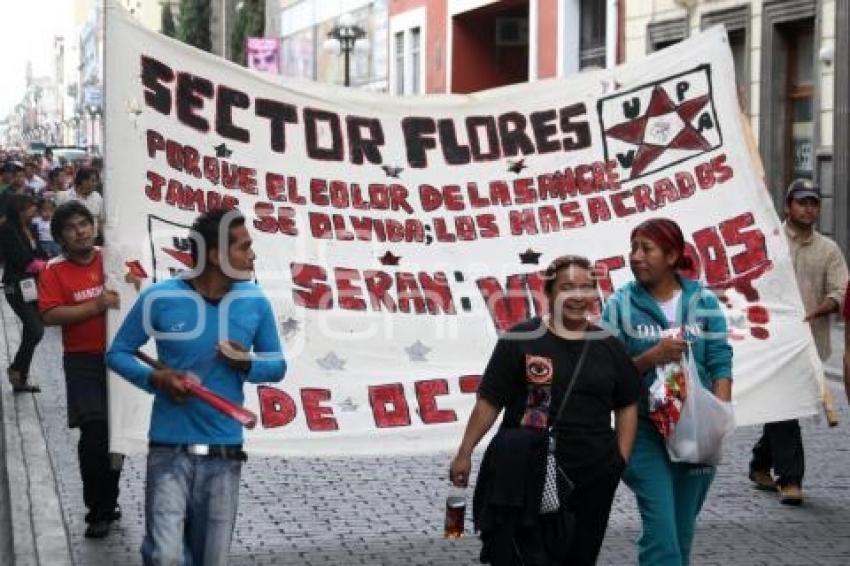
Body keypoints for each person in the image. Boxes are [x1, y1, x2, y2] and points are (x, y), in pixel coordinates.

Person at [107, 208, 286, 565]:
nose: (252, 255)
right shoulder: (160, 297)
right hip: (168, 450)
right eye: (244, 247)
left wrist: (245, 362)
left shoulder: (254, 301)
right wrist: (155, 378)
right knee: (165, 556)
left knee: (211, 560)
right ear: (218, 256)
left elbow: (277, 365)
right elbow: (119, 353)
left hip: (224, 453)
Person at [449, 255, 640, 565]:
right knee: (525, 554)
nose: (577, 296)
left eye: (585, 288)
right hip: (527, 472)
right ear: (549, 292)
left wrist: (619, 459)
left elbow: (628, 402)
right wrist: (464, 452)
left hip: (592, 477)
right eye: (567, 287)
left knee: (580, 555)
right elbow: (490, 401)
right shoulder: (520, 338)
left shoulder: (609, 345)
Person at [601, 217, 732, 566]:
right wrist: (649, 358)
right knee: (663, 537)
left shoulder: (703, 301)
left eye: (646, 249)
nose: (636, 257)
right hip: (644, 433)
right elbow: (605, 372)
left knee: (680, 536)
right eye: (633, 248)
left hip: (695, 434)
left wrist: (718, 417)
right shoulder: (619, 305)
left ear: (673, 256)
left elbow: (720, 362)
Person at [749, 179, 848, 504]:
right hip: (774, 343)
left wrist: (824, 308)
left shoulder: (828, 249)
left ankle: (760, 463)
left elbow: (842, 290)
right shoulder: (768, 243)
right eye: (802, 202)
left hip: (811, 345)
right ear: (788, 205)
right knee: (786, 404)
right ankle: (791, 480)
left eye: (814, 203)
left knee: (783, 407)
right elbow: (752, 287)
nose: (808, 208)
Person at [37, 201, 122, 538]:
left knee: (118, 435)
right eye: (72, 228)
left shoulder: (110, 257)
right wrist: (95, 305)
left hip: (120, 356)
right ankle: (96, 511)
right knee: (95, 434)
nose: (81, 231)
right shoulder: (53, 270)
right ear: (60, 237)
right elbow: (49, 315)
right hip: (82, 362)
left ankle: (110, 501)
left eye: (84, 223)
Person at [0, 194, 47, 392]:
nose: (34, 211)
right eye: (30, 207)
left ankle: (20, 377)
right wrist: (40, 265)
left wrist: (44, 262)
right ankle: (16, 369)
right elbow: (20, 259)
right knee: (36, 330)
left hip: (32, 284)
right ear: (20, 209)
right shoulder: (7, 230)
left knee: (32, 331)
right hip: (14, 285)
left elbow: (40, 253)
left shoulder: (32, 229)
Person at [57, 167, 104, 239]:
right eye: (93, 181)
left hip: (92, 240)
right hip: (71, 241)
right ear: (83, 181)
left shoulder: (97, 197)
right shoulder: (64, 196)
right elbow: (58, 221)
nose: (95, 184)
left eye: (96, 181)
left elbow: (101, 220)